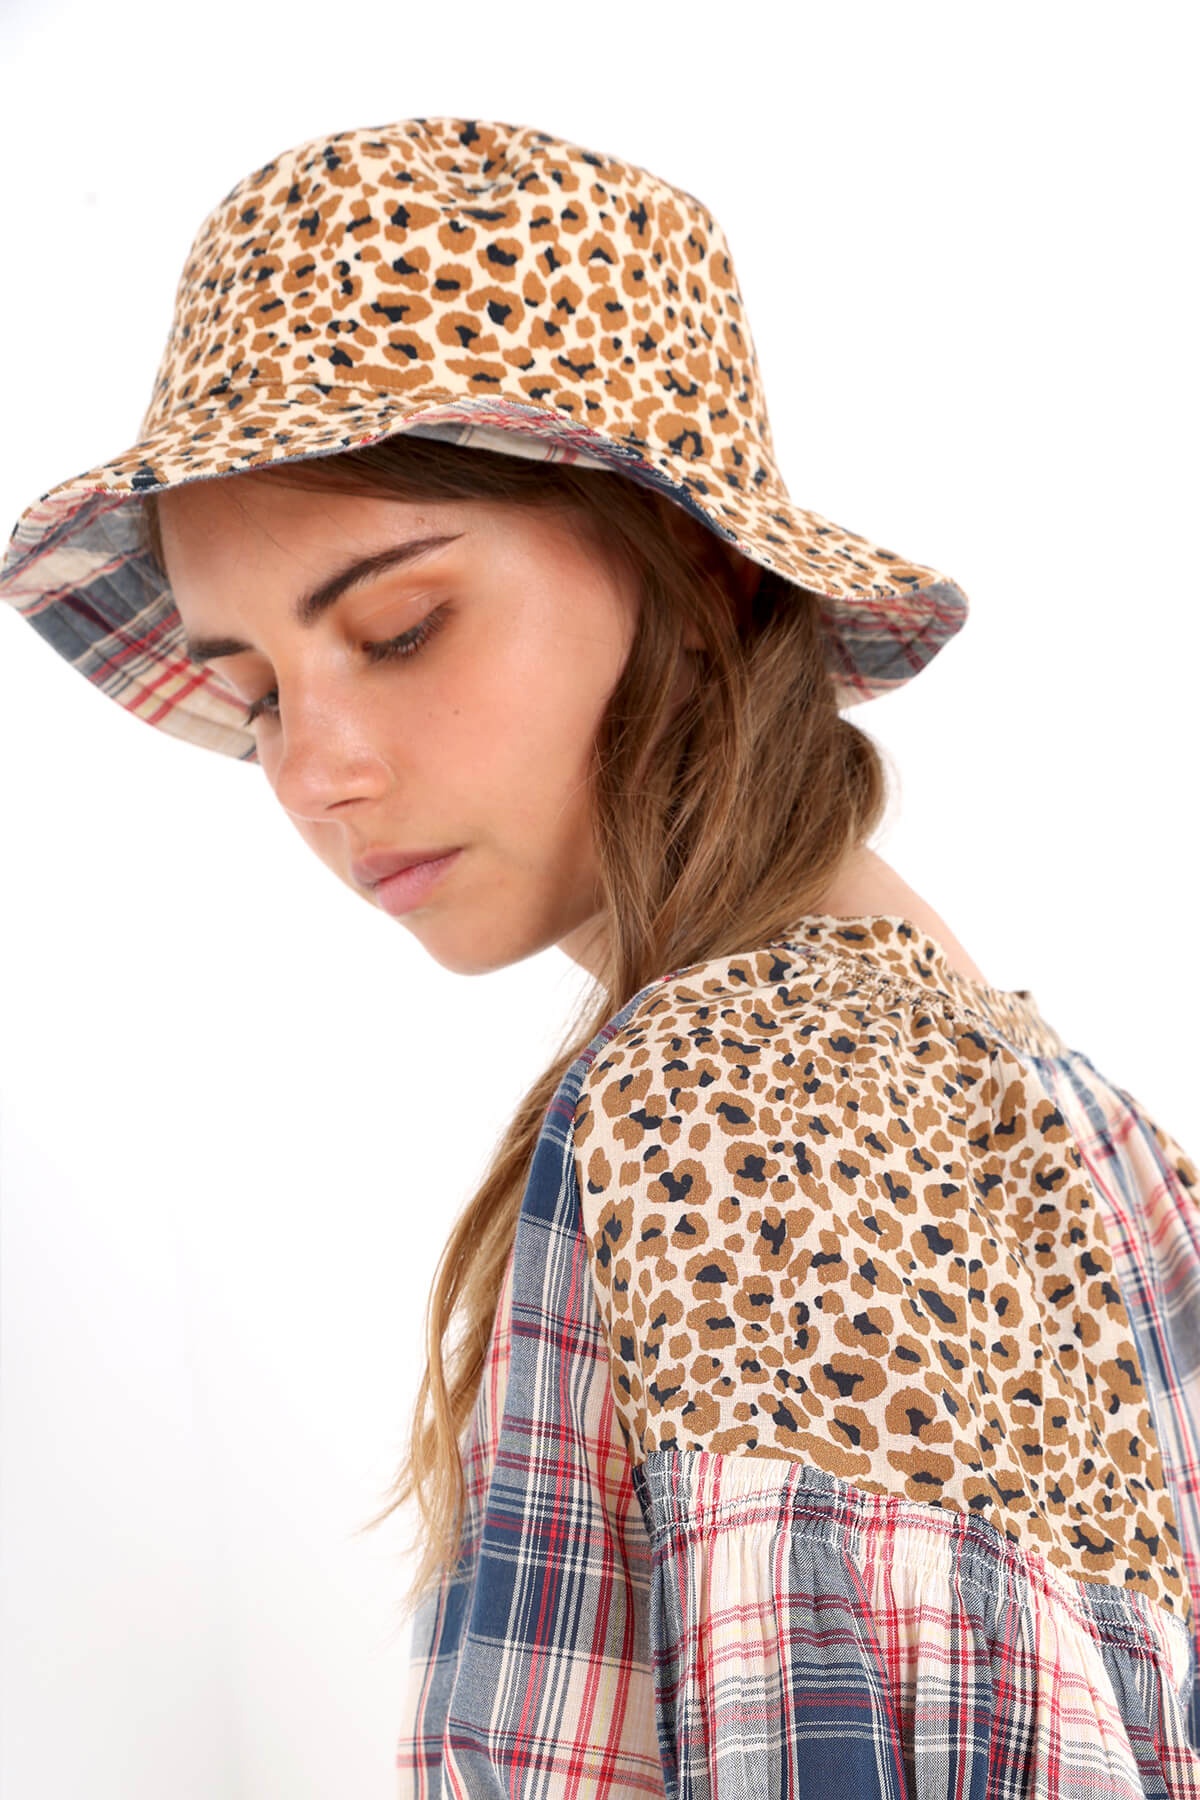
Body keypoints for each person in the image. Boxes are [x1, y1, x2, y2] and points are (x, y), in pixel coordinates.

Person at [3, 115, 1198, 1798]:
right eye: (256, 693)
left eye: (399, 629)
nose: (313, 770)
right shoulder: (1090, 1135)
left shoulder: (738, 1099)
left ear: (691, 568)